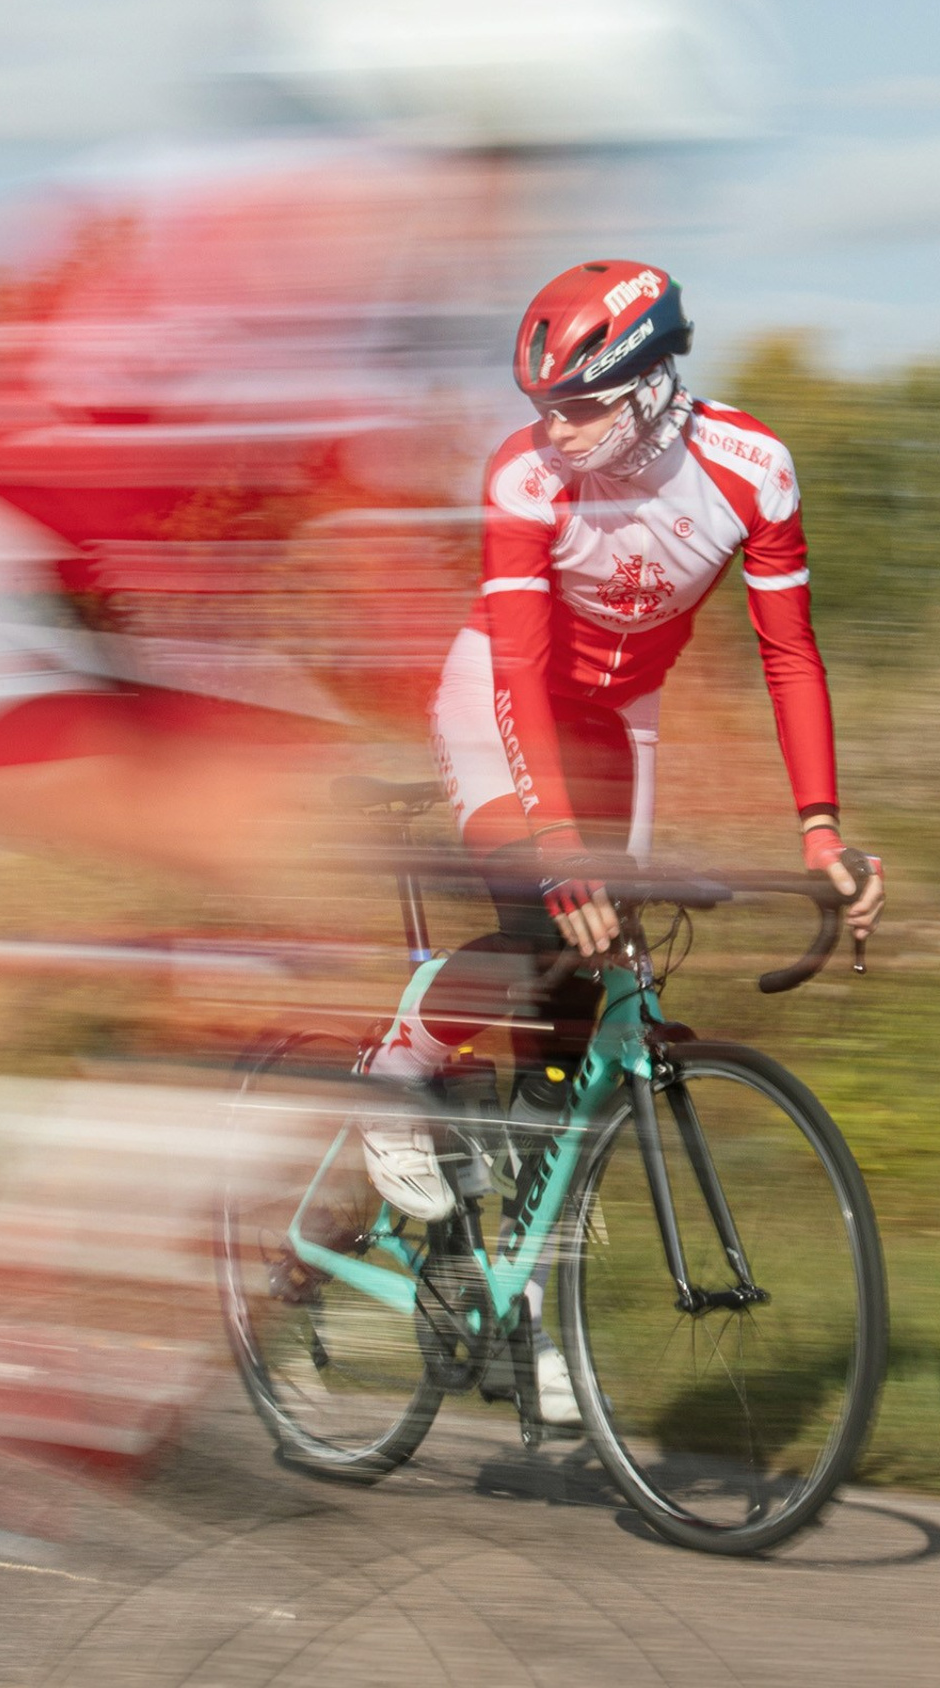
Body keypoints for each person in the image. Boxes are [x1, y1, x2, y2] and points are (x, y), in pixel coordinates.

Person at [361, 259, 884, 1421]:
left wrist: (819, 833)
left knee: (583, 1015)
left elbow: (787, 655)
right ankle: (395, 1066)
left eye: (581, 404)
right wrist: (558, 841)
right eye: (541, 404)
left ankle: (528, 1299)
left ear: (652, 384)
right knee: (542, 907)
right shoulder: (524, 475)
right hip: (508, 697)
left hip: (622, 720)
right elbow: (516, 666)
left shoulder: (752, 472)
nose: (554, 427)